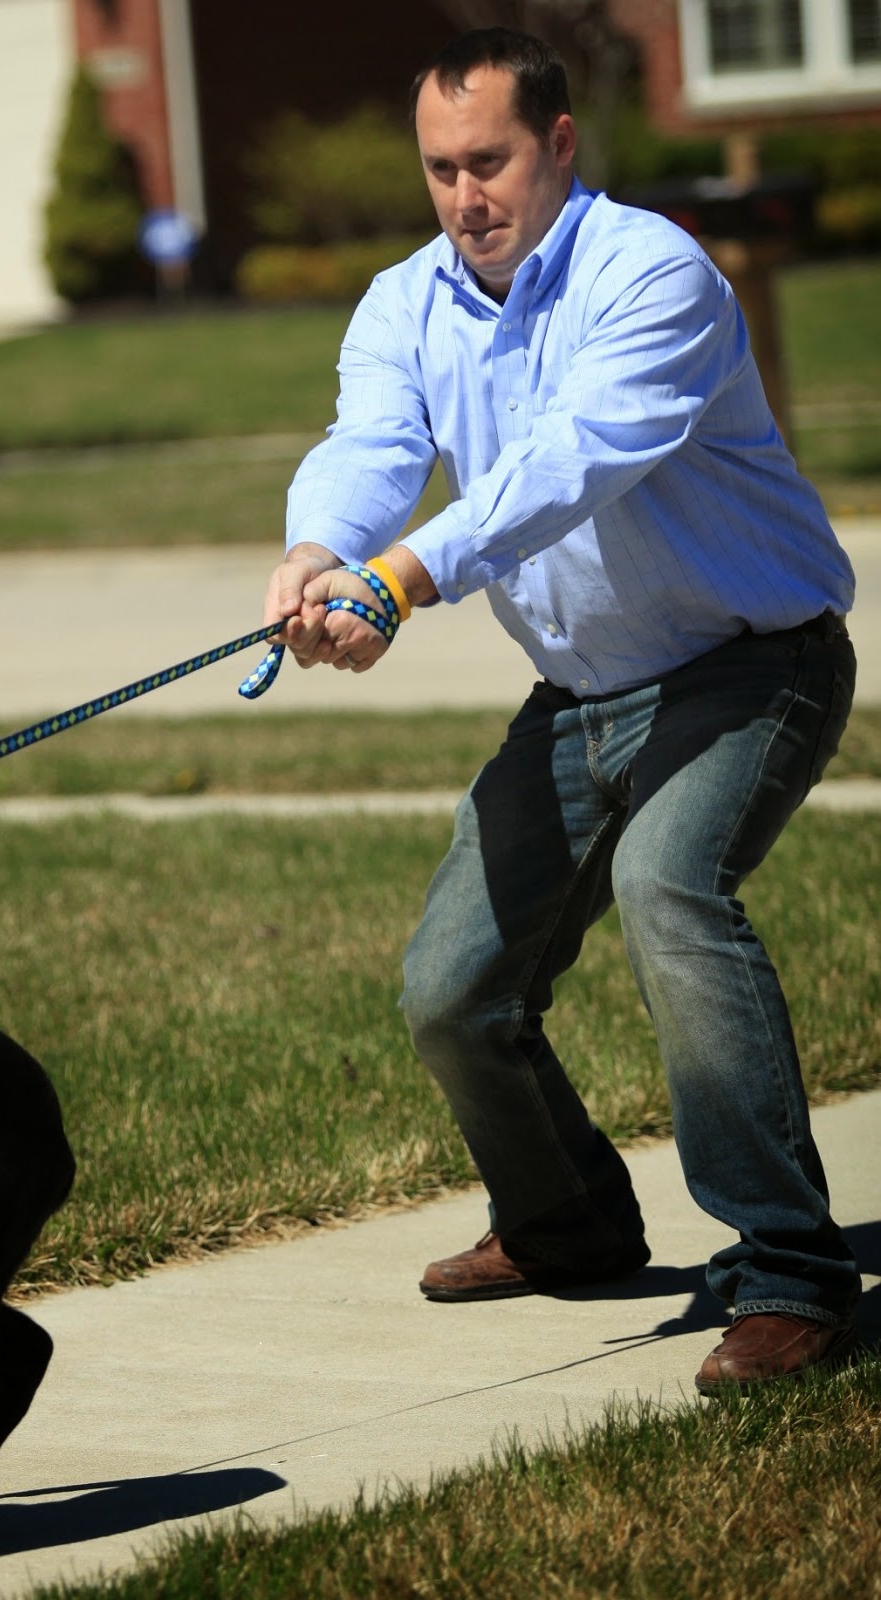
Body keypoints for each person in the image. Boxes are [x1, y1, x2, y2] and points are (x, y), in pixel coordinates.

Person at [262, 27, 858, 1395]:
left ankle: (789, 1274)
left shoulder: (650, 274)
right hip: (583, 693)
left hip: (747, 661)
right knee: (450, 991)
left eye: (490, 161)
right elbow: (368, 446)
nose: (464, 195)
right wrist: (316, 555)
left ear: (560, 146)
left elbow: (567, 461)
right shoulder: (403, 301)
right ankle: (566, 1223)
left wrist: (401, 576)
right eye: (438, 169)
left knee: (668, 889)